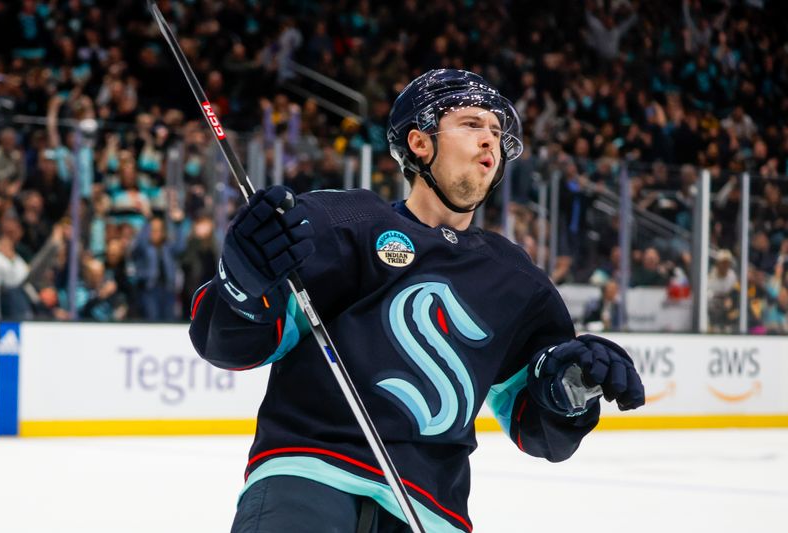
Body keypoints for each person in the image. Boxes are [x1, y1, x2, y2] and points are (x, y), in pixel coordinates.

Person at [189, 69, 645, 533]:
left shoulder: (518, 281)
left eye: (495, 131)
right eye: (471, 124)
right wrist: (242, 281)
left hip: (432, 511)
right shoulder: (340, 222)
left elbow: (539, 431)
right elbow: (230, 345)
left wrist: (570, 387)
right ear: (420, 143)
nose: (490, 139)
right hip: (307, 478)